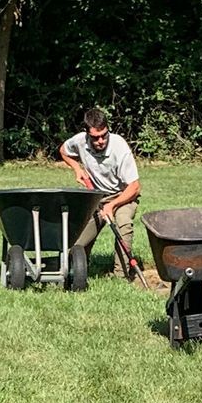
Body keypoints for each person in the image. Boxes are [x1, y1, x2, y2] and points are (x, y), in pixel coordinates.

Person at [59, 104, 145, 279]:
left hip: (123, 195)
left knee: (123, 225)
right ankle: (79, 270)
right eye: (95, 137)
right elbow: (63, 151)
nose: (100, 141)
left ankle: (121, 276)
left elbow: (135, 187)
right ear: (87, 134)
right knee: (78, 241)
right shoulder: (79, 141)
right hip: (96, 197)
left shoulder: (119, 147)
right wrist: (77, 169)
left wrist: (112, 205)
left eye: (104, 136)